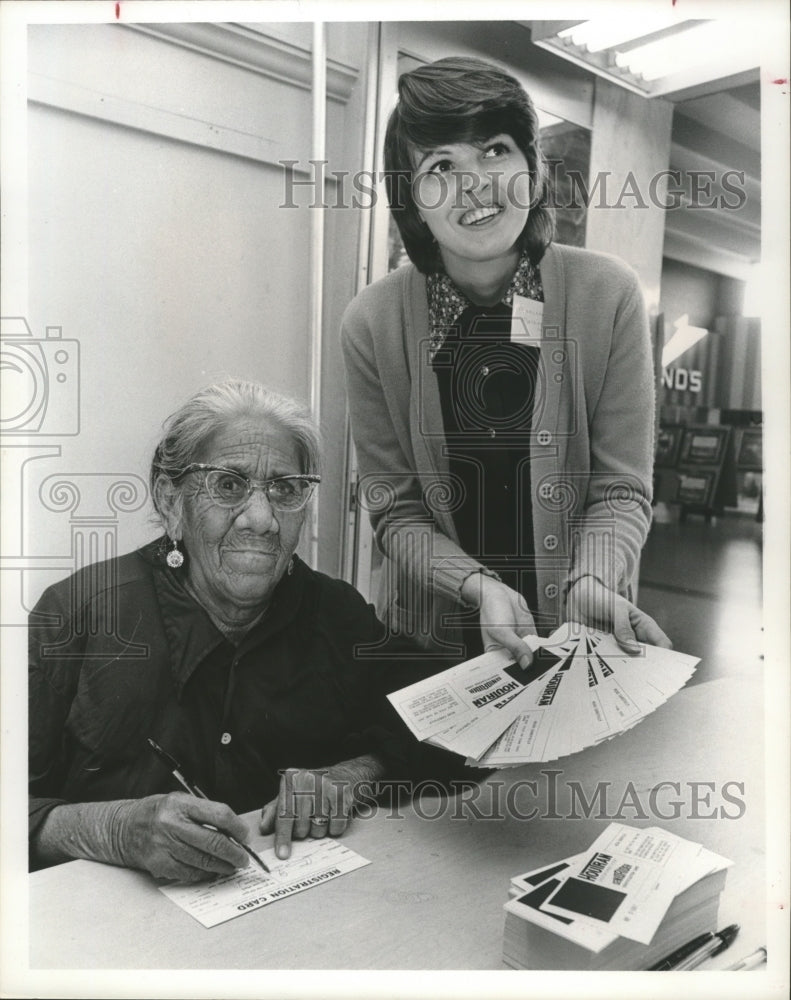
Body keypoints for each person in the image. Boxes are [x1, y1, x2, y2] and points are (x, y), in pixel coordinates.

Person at [28, 380, 460, 882]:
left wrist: (351, 776)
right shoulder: (79, 615)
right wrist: (112, 829)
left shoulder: (334, 614)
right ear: (171, 501)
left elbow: (456, 720)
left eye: (285, 489)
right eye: (229, 485)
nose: (262, 519)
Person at [341, 56, 671, 666]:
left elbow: (621, 488)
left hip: (579, 636)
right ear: (411, 199)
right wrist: (477, 586)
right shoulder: (372, 323)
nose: (476, 186)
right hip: (432, 647)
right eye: (441, 166)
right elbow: (396, 510)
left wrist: (591, 579)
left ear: (531, 167)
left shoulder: (608, 295)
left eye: (494, 150)